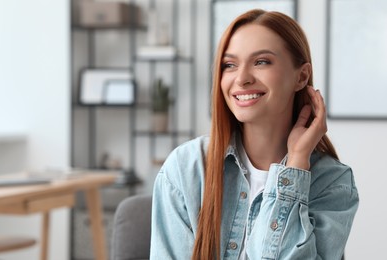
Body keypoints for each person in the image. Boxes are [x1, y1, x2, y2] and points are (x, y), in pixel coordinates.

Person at [150, 9, 359, 260]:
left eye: (261, 62)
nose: (242, 78)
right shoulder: (185, 168)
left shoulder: (332, 182)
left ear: (301, 76)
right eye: (229, 65)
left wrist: (295, 166)